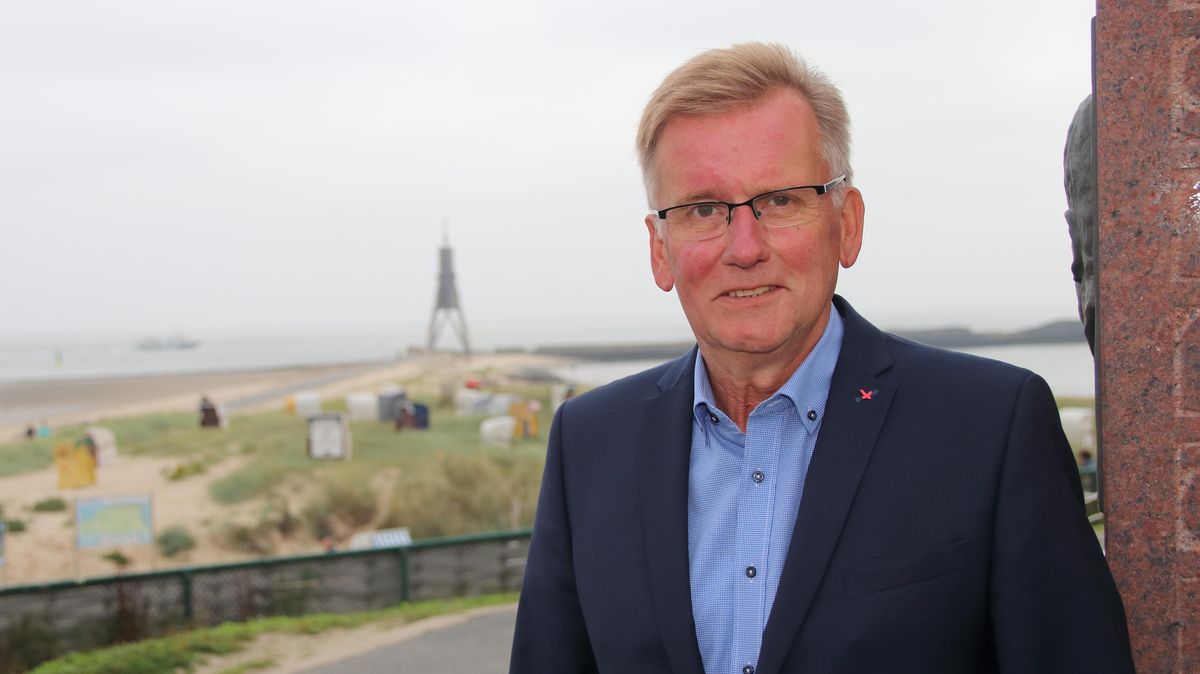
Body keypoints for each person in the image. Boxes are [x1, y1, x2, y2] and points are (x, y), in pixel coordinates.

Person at [510, 43, 1133, 673]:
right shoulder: (588, 445)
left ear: (847, 223)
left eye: (781, 200)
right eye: (703, 209)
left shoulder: (990, 427)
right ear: (660, 250)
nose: (745, 248)